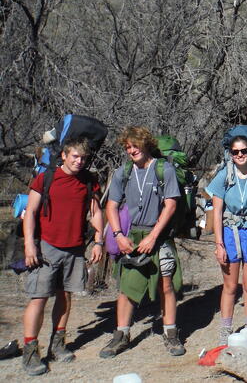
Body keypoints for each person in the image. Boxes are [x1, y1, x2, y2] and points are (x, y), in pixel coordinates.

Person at [21, 138, 104, 376]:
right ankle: (30, 351)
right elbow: (31, 212)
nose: (79, 161)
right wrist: (29, 244)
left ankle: (57, 344)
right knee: (38, 298)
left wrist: (98, 241)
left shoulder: (88, 181)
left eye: (84, 158)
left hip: (75, 248)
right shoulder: (46, 178)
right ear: (65, 156)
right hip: (46, 247)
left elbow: (95, 211)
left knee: (65, 296)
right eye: (75, 156)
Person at [100, 126, 185, 358]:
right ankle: (121, 335)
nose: (131, 150)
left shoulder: (163, 169)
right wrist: (118, 235)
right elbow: (111, 206)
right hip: (131, 237)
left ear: (145, 144)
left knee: (165, 285)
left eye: (135, 145)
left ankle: (170, 333)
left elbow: (170, 204)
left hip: (159, 236)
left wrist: (153, 236)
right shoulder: (122, 172)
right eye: (127, 147)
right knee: (126, 288)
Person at [208, 135, 247, 345]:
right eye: (235, 152)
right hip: (229, 232)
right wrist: (219, 244)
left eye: (244, 151)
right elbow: (216, 212)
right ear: (230, 154)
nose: (240, 155)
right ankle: (225, 329)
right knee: (230, 286)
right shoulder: (224, 175)